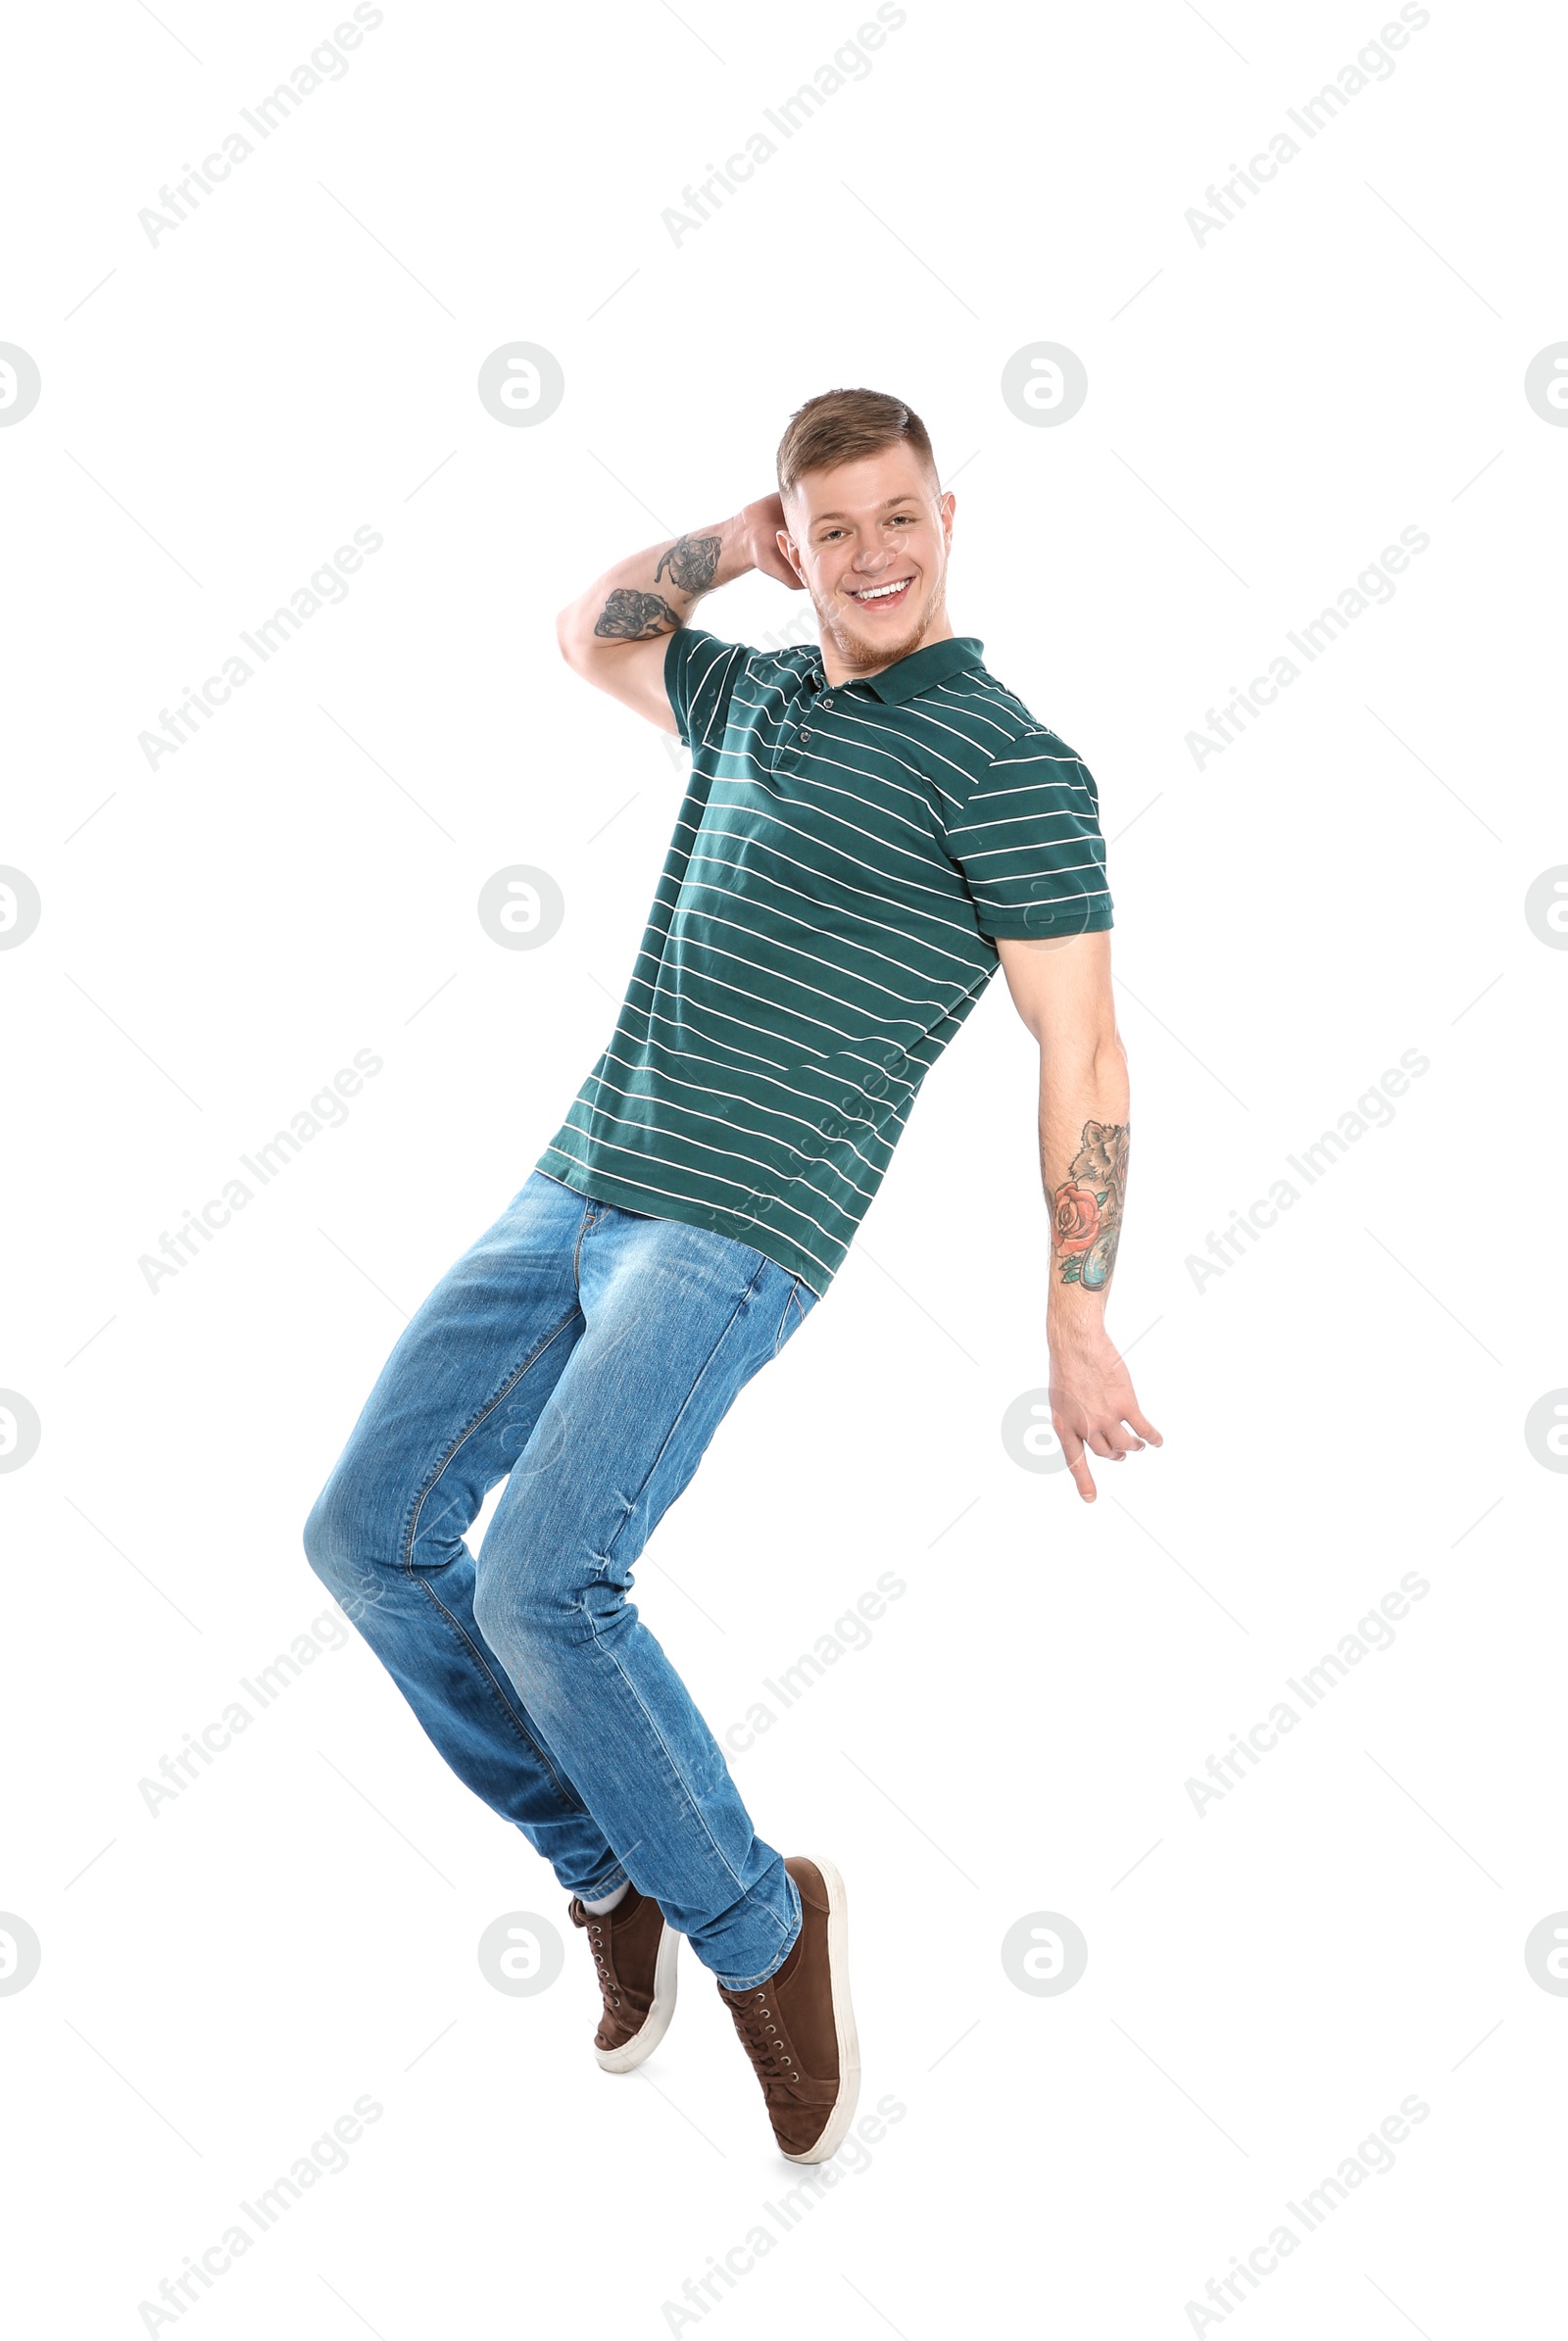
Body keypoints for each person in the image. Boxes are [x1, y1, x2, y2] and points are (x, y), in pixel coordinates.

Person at [304, 386, 1159, 2164]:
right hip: (581, 1177)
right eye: (829, 525)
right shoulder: (752, 688)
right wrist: (722, 544)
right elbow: (592, 628)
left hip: (740, 1222)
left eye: (897, 516)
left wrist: (1075, 1302)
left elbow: (1080, 1044)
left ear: (950, 518)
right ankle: (606, 1859)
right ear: (797, 536)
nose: (869, 554)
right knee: (367, 1531)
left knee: (547, 1577)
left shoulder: (1012, 762)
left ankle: (764, 1928)